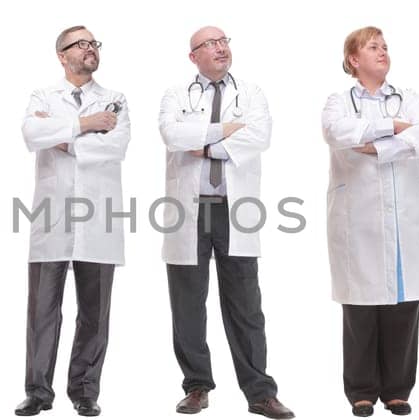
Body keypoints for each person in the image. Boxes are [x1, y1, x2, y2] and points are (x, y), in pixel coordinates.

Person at [158, 26, 293, 420]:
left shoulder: (251, 94)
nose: (220, 48)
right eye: (209, 44)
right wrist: (224, 132)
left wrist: (200, 143)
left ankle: (259, 393)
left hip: (235, 209)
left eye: (224, 41)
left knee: (246, 305)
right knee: (187, 304)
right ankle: (196, 386)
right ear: (193, 56)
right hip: (189, 209)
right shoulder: (175, 94)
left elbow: (259, 136)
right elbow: (171, 134)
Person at [320, 25, 419, 418]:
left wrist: (374, 146)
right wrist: (394, 129)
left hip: (404, 215)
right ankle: (361, 390)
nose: (383, 52)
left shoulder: (410, 98)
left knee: (402, 306)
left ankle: (398, 390)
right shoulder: (338, 102)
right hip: (359, 220)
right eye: (373, 47)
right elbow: (338, 133)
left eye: (385, 46)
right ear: (354, 60)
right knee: (360, 307)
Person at [15, 25, 130, 418]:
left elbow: (115, 147)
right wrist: (84, 125)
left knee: (95, 313)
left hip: (99, 218)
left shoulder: (115, 99)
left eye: (94, 43)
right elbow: (32, 133)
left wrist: (60, 137)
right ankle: (38, 392)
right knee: (42, 311)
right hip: (52, 218)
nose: (90, 49)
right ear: (62, 55)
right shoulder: (42, 97)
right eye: (80, 44)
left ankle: (84, 390)